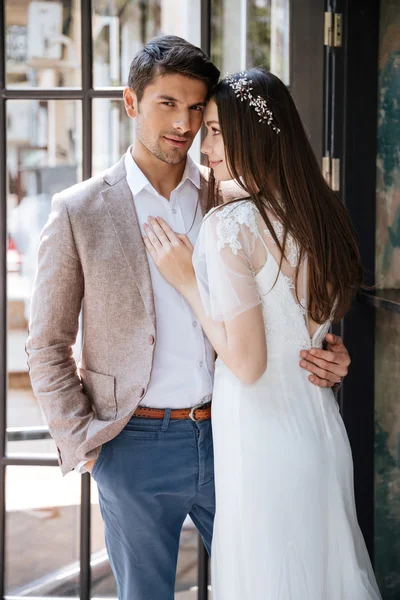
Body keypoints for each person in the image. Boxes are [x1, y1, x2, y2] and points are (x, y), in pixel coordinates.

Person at [26, 37, 351, 600]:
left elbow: (278, 296)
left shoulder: (228, 200)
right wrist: (85, 443)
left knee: (260, 581)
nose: (184, 123)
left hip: (234, 431)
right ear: (132, 102)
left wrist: (324, 348)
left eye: (197, 108)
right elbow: (46, 344)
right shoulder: (80, 210)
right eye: (167, 104)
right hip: (135, 444)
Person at [143, 69, 382, 599]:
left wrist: (187, 282)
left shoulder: (230, 226)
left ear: (254, 136)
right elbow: (308, 331)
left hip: (264, 444)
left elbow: (247, 363)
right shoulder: (321, 217)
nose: (205, 148)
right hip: (321, 436)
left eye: (216, 132)